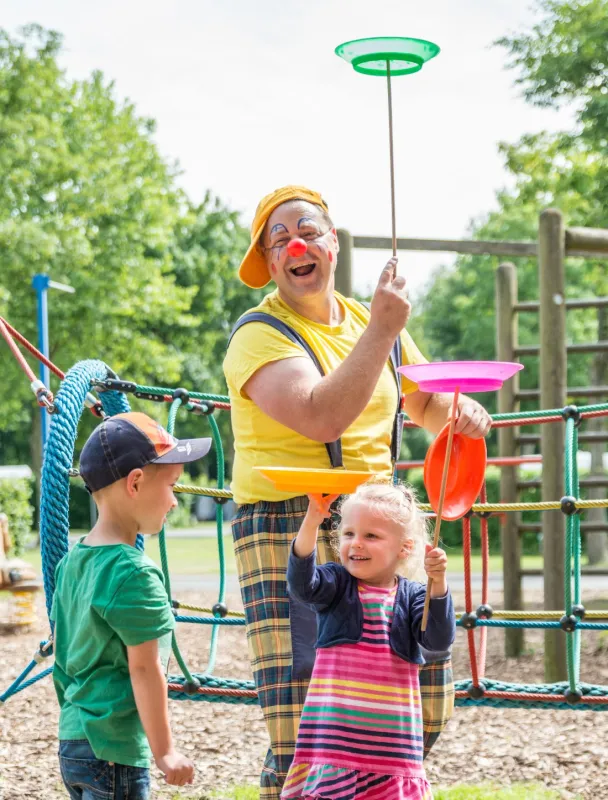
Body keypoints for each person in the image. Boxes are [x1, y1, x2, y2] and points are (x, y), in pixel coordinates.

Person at [223, 185, 491, 798]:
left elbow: (422, 400)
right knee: (305, 710)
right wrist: (382, 328)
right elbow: (322, 416)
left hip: (379, 518)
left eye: (309, 230)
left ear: (332, 243)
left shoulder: (373, 324)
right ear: (268, 262)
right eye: (279, 238)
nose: (297, 244)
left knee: (418, 689)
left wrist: (460, 410)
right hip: (295, 523)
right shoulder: (258, 334)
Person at [50, 412, 212, 799]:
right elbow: (144, 668)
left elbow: (62, 655)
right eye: (171, 485)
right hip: (115, 751)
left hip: (74, 741)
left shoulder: (71, 563)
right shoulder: (134, 573)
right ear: (136, 482)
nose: (174, 501)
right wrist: (166, 752)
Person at [282, 482, 455, 799]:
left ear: (404, 548)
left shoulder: (414, 596)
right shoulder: (336, 585)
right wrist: (312, 519)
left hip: (391, 750)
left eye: (371, 536)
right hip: (334, 745)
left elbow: (437, 639)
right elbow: (301, 585)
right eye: (349, 534)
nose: (355, 544)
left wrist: (438, 584)